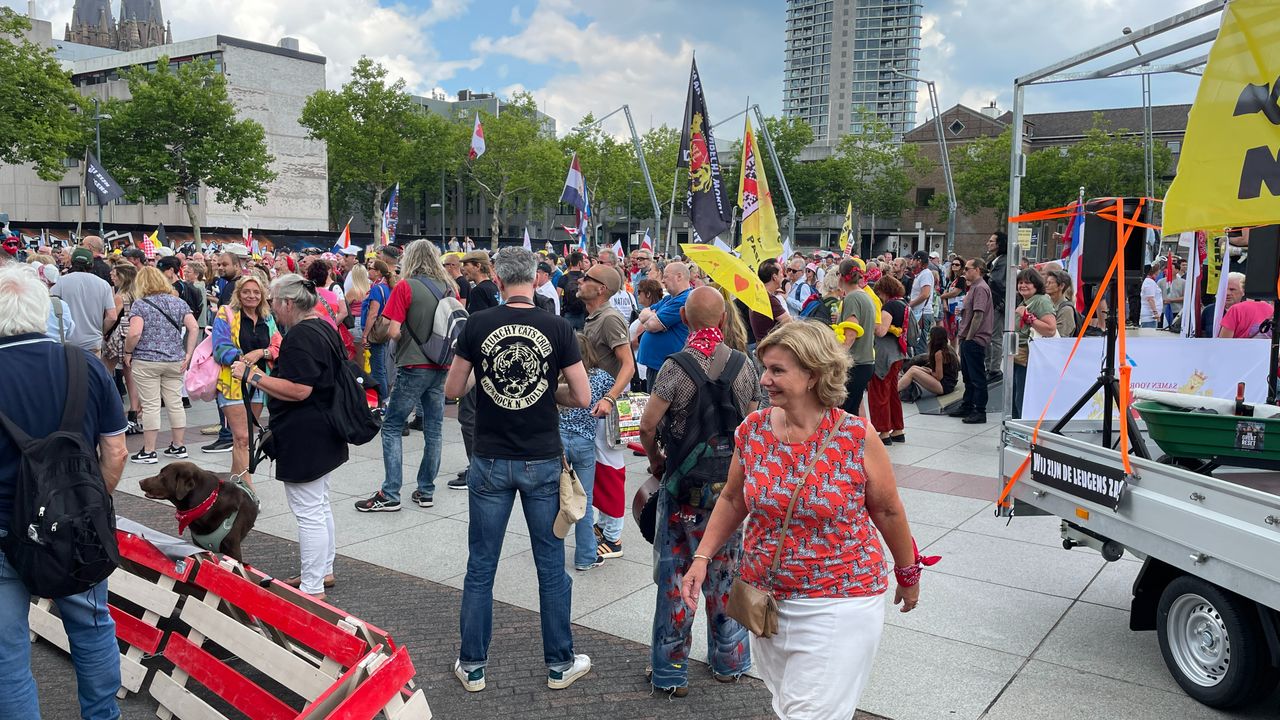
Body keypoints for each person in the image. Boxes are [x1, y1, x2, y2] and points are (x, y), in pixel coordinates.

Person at [680, 321, 921, 719]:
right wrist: (702, 558)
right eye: (765, 368)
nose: (764, 380)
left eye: (777, 370)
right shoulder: (753, 429)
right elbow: (734, 498)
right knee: (788, 702)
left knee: (808, 713)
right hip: (766, 599)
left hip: (841, 598)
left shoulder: (855, 435)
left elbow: (888, 509)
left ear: (813, 375)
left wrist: (907, 572)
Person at [444, 246, 593, 693]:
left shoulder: (477, 324)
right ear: (535, 277)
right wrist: (548, 391)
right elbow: (583, 396)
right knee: (550, 567)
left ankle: (473, 665)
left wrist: (485, 377)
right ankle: (559, 663)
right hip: (541, 457)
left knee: (480, 566)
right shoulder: (557, 327)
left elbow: (453, 388)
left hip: (490, 458)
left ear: (497, 278)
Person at [0, 263, 128, 720]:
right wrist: (92, 503)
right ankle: (102, 715)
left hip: (2, 527)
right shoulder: (85, 364)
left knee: (7, 652)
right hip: (75, 527)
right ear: (44, 311)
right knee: (92, 628)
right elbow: (116, 451)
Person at [638, 286, 759, 696]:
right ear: (723, 319)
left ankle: (671, 672)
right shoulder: (744, 365)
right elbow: (752, 426)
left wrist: (657, 459)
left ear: (685, 320)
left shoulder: (676, 367)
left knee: (677, 578)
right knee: (726, 574)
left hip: (683, 491)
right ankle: (730, 661)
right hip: (730, 493)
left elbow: (647, 425)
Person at [232, 275, 347, 599]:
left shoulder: (300, 335)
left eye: (273, 301)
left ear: (288, 303)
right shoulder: (323, 325)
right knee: (318, 504)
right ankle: (321, 572)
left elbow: (299, 389)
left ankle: (313, 587)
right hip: (323, 427)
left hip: (305, 433)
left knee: (309, 510)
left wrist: (253, 376)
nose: (271, 308)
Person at [356, 240, 458, 511]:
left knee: (391, 426)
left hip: (413, 365)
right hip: (441, 365)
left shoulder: (405, 286)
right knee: (434, 430)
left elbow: (392, 331)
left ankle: (390, 493)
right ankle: (426, 491)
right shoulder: (449, 287)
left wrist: (405, 339)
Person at [578, 263, 637, 559]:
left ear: (601, 289)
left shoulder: (610, 318)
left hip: (606, 409)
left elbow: (628, 365)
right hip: (597, 406)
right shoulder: (597, 316)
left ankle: (613, 538)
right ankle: (605, 527)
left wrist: (610, 399)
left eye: (587, 278)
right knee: (602, 468)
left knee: (610, 470)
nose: (580, 280)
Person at [125, 266, 199, 464]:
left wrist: (128, 351)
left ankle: (149, 450)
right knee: (175, 403)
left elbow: (135, 333)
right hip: (175, 360)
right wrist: (189, 354)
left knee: (150, 405)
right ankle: (178, 445)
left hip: (146, 360)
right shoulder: (178, 302)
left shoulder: (140, 304)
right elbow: (193, 327)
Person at [211, 275, 280, 489]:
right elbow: (220, 347)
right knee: (242, 437)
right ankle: (247, 488)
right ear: (238, 294)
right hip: (232, 382)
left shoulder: (267, 318)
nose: (252, 296)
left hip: (259, 383)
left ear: (263, 295)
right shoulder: (226, 313)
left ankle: (234, 483)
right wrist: (242, 359)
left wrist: (261, 352)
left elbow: (278, 346)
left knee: (245, 437)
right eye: (246, 291)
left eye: (256, 292)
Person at [559, 334, 613, 570]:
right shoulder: (601, 377)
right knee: (585, 499)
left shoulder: (558, 375)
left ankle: (552, 552)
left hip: (558, 441)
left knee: (554, 498)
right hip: (584, 442)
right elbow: (619, 393)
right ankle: (585, 556)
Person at [51, 248, 118, 362]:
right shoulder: (103, 285)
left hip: (67, 343)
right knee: (91, 373)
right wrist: (101, 331)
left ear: (72, 262)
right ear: (91, 265)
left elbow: (51, 306)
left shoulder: (61, 282)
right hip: (93, 343)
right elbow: (112, 316)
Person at [950, 258, 995, 424]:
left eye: (967, 269)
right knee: (968, 377)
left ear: (977, 270)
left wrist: (970, 337)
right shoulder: (974, 287)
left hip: (975, 338)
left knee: (976, 377)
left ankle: (979, 410)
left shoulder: (981, 288)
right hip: (968, 336)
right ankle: (967, 405)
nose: (964, 271)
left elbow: (978, 314)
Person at [636, 261, 693, 388]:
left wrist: (652, 317)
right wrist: (652, 317)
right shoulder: (669, 298)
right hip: (659, 365)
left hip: (667, 367)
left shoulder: (684, 299)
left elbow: (653, 325)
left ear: (679, 276)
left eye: (666, 276)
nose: (662, 280)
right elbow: (643, 314)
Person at [1010, 268, 1058, 420]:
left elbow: (1050, 329)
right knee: (1015, 398)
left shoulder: (1041, 301)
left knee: (1022, 399)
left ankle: (1023, 429)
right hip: (1018, 357)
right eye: (1020, 282)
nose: (1023, 285)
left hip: (1029, 359)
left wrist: (1027, 316)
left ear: (1036, 285)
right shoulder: (1026, 301)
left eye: (1027, 283)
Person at [868, 275, 908, 443]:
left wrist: (869, 321)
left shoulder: (889, 306)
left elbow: (881, 331)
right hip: (897, 354)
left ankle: (883, 432)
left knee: (879, 392)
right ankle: (898, 430)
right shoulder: (903, 303)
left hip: (885, 355)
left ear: (884, 291)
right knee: (892, 393)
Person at [837, 258, 877, 416]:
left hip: (855, 363)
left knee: (845, 413)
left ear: (841, 276)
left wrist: (836, 358)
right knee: (853, 411)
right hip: (864, 362)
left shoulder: (852, 298)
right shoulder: (864, 295)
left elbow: (851, 334)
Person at [898, 326, 960, 399]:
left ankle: (893, 390)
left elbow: (939, 377)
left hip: (944, 386)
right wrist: (927, 370)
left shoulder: (939, 353)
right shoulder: (948, 348)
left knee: (913, 372)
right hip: (949, 383)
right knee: (914, 368)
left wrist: (929, 371)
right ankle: (898, 386)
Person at [363, 260, 393, 406]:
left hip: (376, 331)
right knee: (382, 367)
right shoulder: (387, 287)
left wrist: (365, 334)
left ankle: (383, 399)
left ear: (378, 272)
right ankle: (384, 398)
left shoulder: (377, 289)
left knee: (377, 368)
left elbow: (373, 314)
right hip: (385, 331)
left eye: (371, 268)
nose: (368, 270)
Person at [984, 232, 1008, 379]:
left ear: (999, 244)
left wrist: (985, 276)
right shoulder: (995, 259)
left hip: (997, 303)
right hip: (991, 303)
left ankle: (994, 369)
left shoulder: (1003, 261)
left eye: (991, 241)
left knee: (995, 337)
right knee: (988, 336)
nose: (988, 243)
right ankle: (989, 367)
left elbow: (997, 281)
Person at [749, 259, 791, 341]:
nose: (783, 276)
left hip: (763, 344)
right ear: (774, 277)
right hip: (771, 344)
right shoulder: (769, 299)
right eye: (781, 273)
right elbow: (789, 323)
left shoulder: (759, 294)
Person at [906, 250, 935, 355]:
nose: (911, 262)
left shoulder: (926, 274)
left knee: (920, 347)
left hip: (923, 314)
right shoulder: (921, 274)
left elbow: (925, 294)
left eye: (913, 259)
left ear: (919, 261)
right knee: (916, 345)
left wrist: (910, 304)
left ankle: (922, 364)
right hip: (918, 313)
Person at [939, 256, 968, 346]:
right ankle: (952, 350)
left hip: (958, 308)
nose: (954, 266)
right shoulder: (950, 279)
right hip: (949, 308)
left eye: (957, 264)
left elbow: (955, 292)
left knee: (956, 332)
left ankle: (956, 351)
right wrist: (944, 303)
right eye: (953, 264)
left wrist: (942, 296)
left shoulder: (962, 279)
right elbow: (945, 291)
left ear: (961, 266)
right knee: (950, 333)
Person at [1043, 268, 1077, 338]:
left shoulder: (1066, 310)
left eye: (1050, 283)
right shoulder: (1047, 303)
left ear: (1061, 286)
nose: (1046, 285)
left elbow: (1061, 337)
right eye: (1047, 282)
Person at [557, 251, 588, 330]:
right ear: (579, 263)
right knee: (583, 337)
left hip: (568, 312)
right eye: (583, 262)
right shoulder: (585, 278)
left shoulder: (564, 278)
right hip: (582, 314)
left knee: (567, 336)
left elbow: (557, 296)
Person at [1139, 262, 1165, 329]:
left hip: (1151, 316)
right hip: (1149, 316)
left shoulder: (1150, 282)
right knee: (1149, 333)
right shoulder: (1149, 282)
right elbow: (1150, 298)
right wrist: (1155, 312)